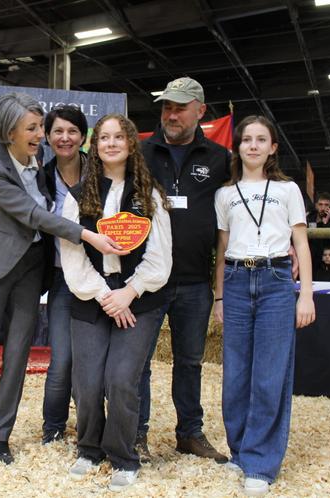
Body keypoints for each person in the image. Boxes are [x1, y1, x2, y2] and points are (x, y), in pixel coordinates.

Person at [0, 93, 127, 465]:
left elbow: (41, 206)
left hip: (29, 268)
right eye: (33, 128)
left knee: (17, 356)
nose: (41, 135)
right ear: (10, 131)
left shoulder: (35, 160)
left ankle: (1, 436)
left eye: (40, 128)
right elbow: (31, 213)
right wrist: (86, 234)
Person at [62, 114, 172, 492]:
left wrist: (131, 291)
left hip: (138, 298)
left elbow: (160, 257)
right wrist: (105, 295)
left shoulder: (149, 195)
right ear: (94, 145)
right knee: (88, 382)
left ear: (130, 144)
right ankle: (89, 448)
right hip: (92, 295)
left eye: (118, 137)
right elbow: (72, 257)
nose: (110, 143)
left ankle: (124, 456)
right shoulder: (77, 197)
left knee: (123, 380)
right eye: (103, 137)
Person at [213, 115, 315, 497]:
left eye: (261, 140)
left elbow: (301, 244)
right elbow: (222, 249)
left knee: (270, 374)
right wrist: (220, 296)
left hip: (275, 280)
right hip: (238, 280)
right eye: (246, 140)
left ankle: (261, 462)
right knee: (236, 374)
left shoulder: (288, 190)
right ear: (237, 147)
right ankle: (239, 452)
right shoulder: (225, 195)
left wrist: (304, 294)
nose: (252, 146)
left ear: (273, 147)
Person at [137, 76, 230, 462]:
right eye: (166, 107)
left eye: (179, 107)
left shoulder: (220, 159)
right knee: (138, 363)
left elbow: (243, 206)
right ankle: (135, 434)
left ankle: (189, 433)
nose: (171, 114)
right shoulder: (140, 153)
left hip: (194, 281)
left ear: (200, 111)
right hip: (145, 278)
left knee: (190, 363)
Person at [40, 105, 89, 444]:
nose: (65, 137)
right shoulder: (39, 177)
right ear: (47, 137)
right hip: (60, 279)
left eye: (72, 131)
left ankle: (91, 428)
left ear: (83, 137)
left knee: (92, 360)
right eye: (58, 131)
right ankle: (53, 428)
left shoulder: (101, 175)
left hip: (98, 280)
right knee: (62, 359)